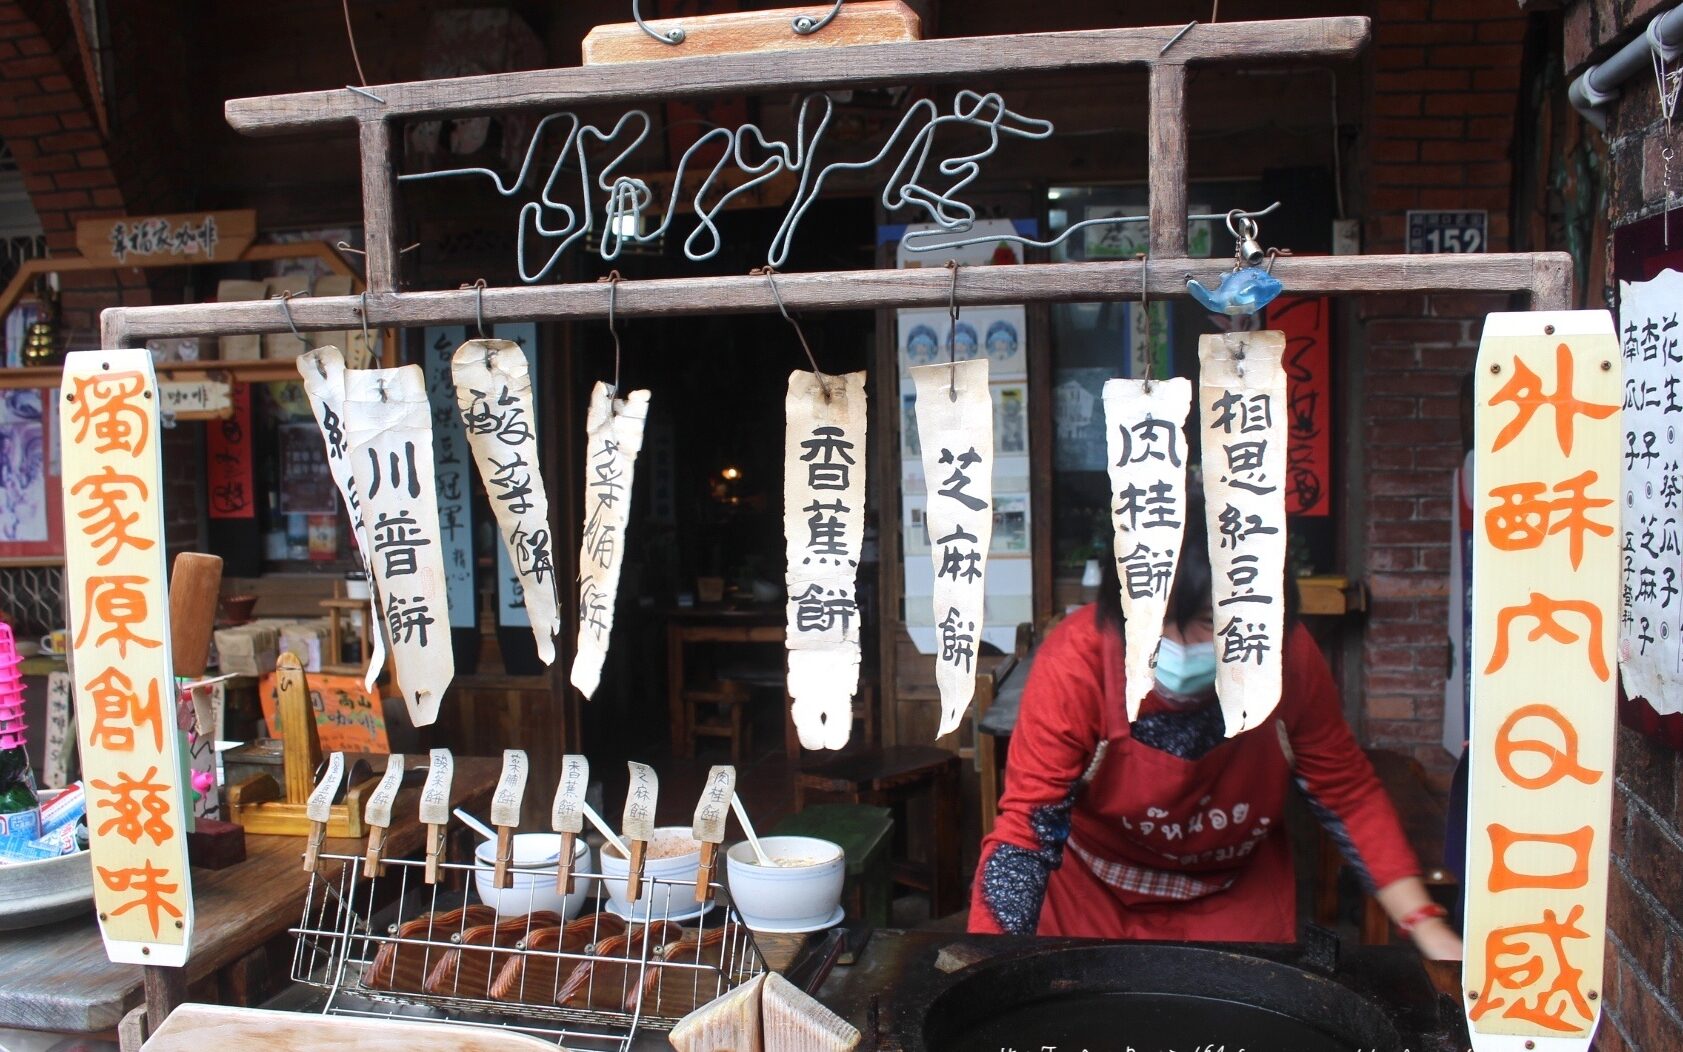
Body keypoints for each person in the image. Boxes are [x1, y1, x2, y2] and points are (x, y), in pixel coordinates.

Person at [970, 487, 1462, 960]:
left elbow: (1348, 794)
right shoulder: (1078, 660)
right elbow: (1026, 832)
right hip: (1092, 896)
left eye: (1211, 620)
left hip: (1235, 895)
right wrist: (988, 965)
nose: (1180, 645)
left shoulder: (1288, 659)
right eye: (1156, 617)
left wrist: (1426, 924)